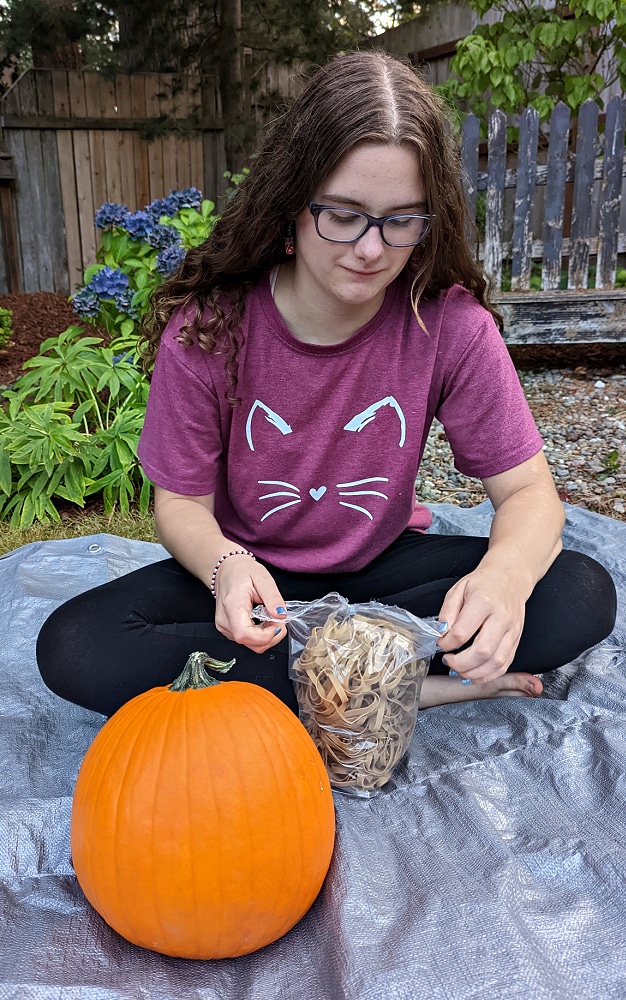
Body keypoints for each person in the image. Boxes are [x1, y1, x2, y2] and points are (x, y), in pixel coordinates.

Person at [37, 50, 616, 719]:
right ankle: (408, 687)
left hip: (388, 576)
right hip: (257, 583)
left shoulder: (450, 324)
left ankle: (338, 685)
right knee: (77, 645)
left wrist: (504, 580)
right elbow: (182, 507)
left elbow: (528, 494)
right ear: (292, 205)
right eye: (344, 214)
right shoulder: (210, 330)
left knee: (577, 592)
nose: (371, 248)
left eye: (401, 219)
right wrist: (225, 568)